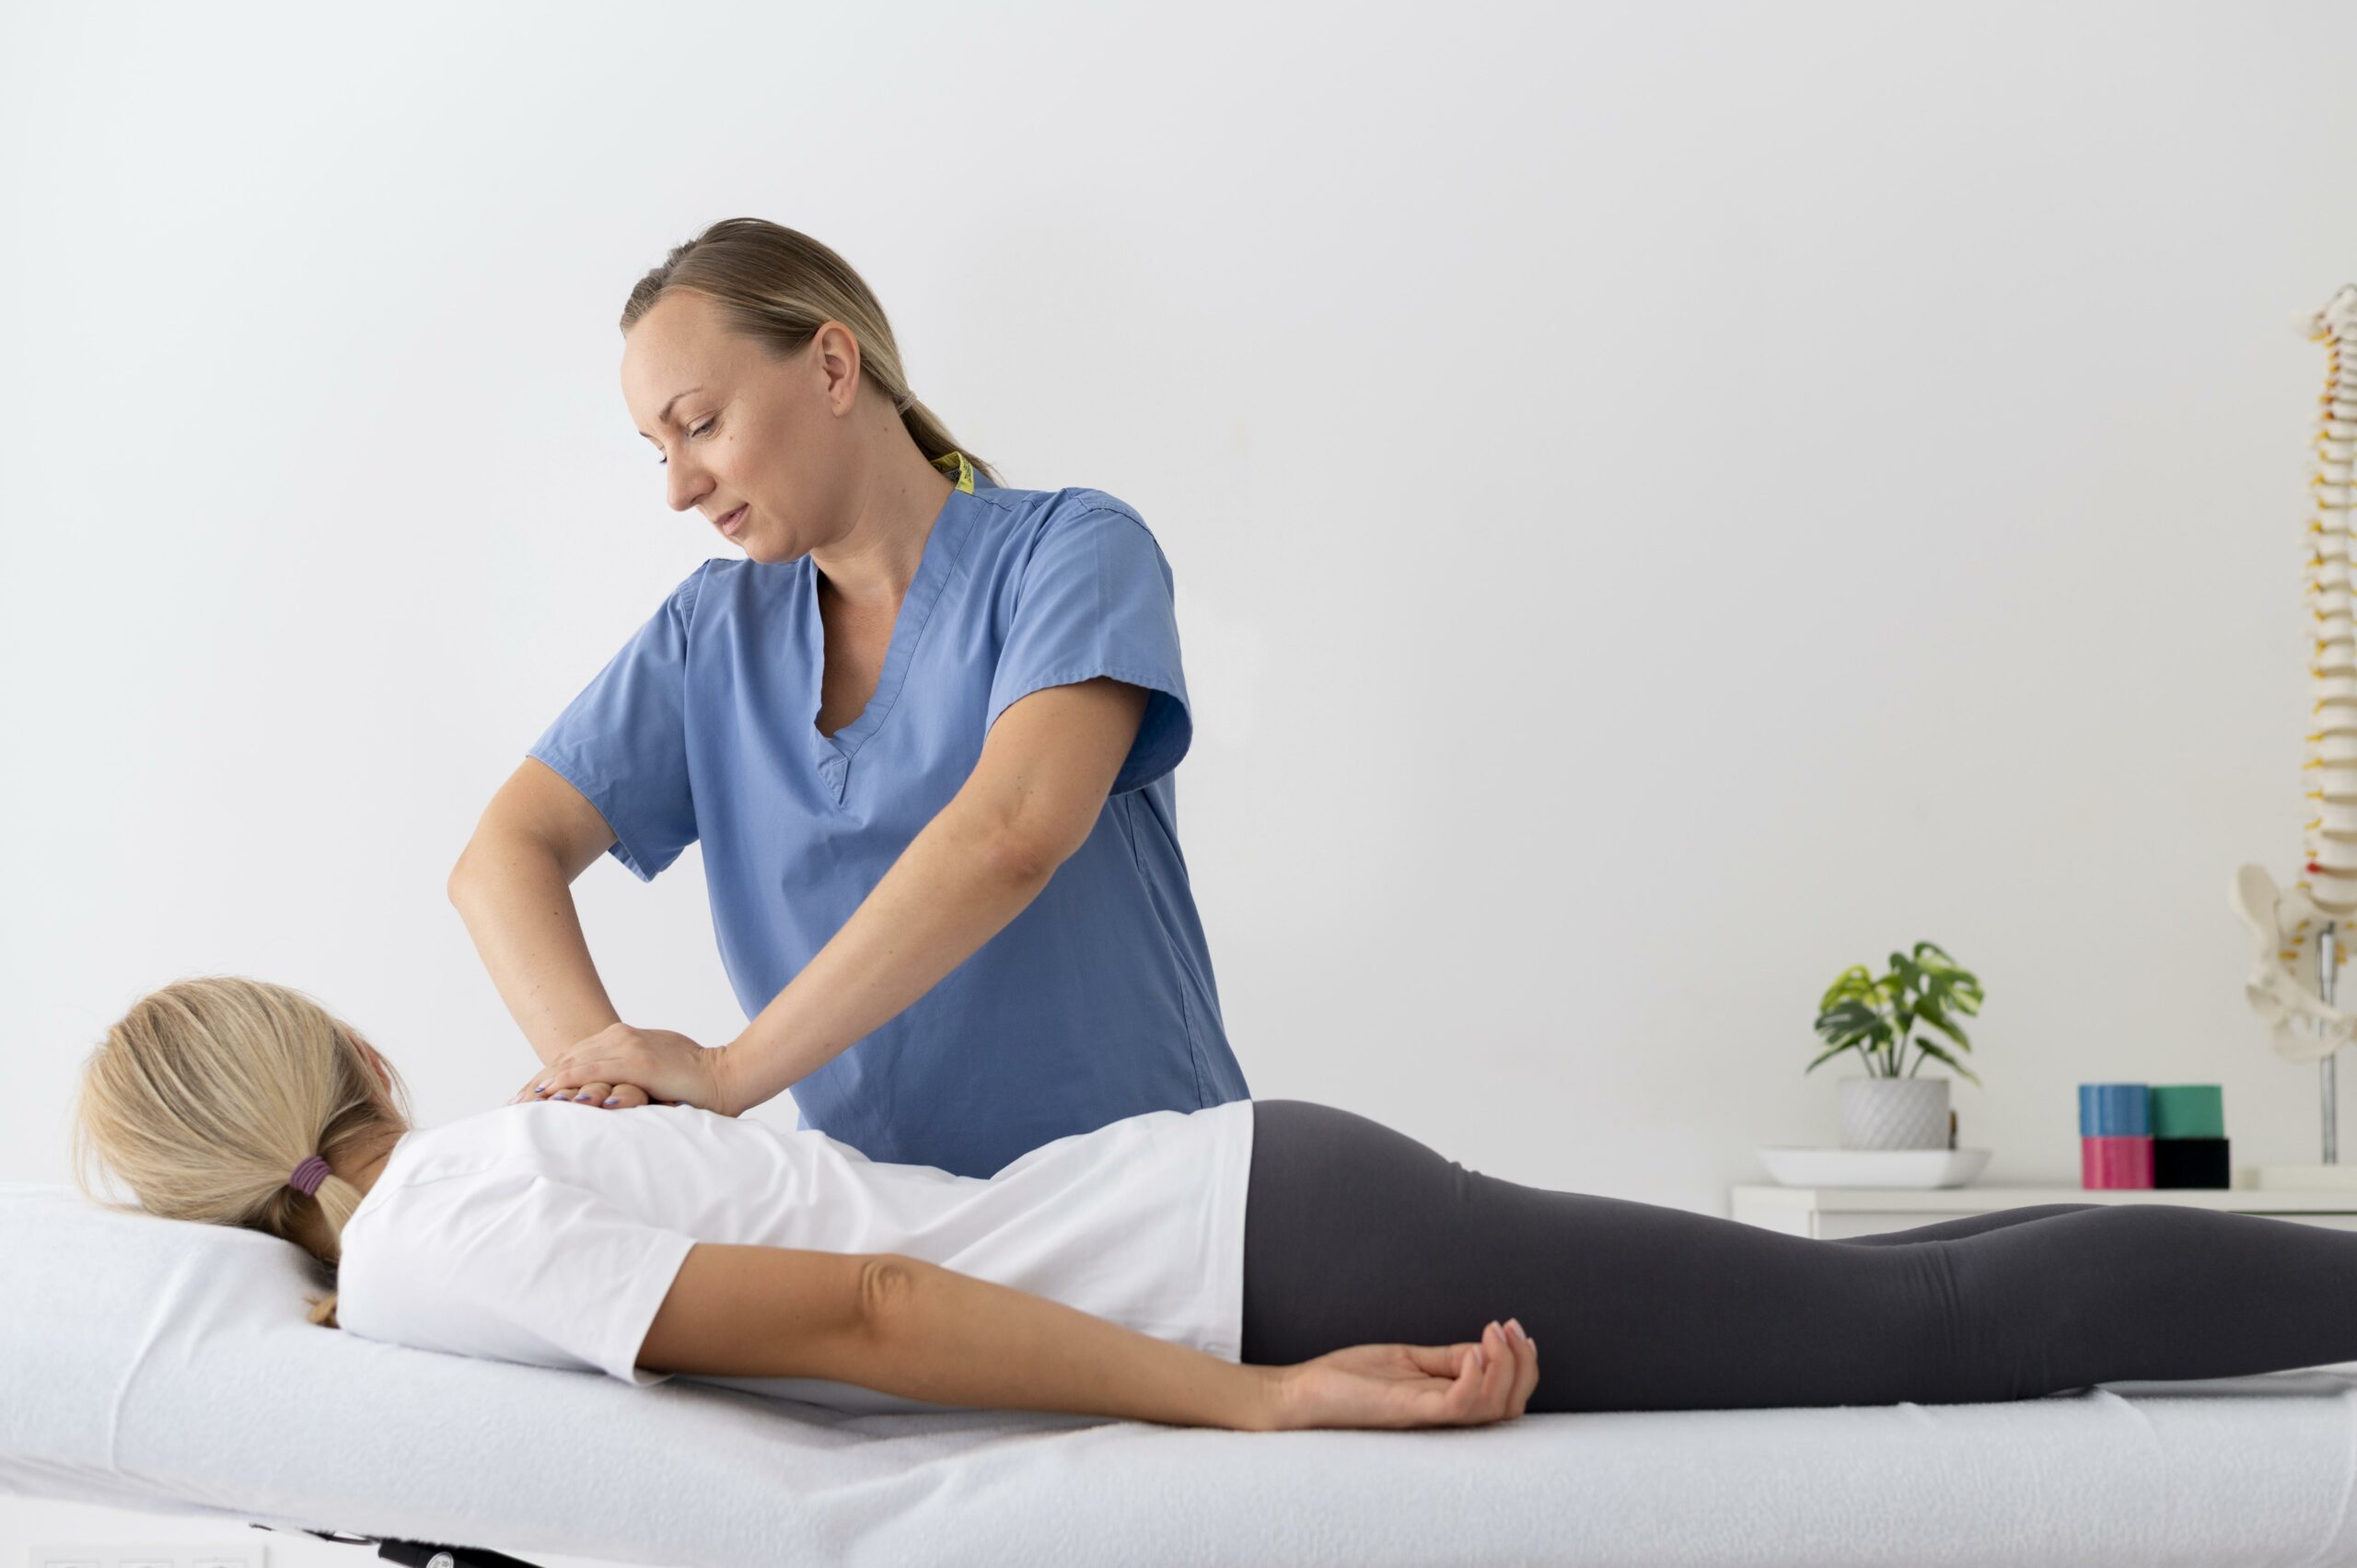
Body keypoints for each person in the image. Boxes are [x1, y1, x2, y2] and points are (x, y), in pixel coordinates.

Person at [69, 977, 2357, 1432]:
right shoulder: (463, 1186)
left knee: (1907, 1339)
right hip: (1249, 1215)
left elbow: (866, 1306)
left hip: (1258, 1248)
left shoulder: (437, 1241)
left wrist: (1245, 1405)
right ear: (349, 1058)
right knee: (1856, 1301)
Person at [447, 217, 1248, 1179]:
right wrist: (625, 1103)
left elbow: (1013, 831)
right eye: (657, 449)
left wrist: (725, 1070)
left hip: (1154, 1195)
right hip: (896, 1246)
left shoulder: (1071, 553)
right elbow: (500, 859)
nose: (680, 487)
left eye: (699, 424)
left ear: (833, 367)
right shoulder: (714, 635)